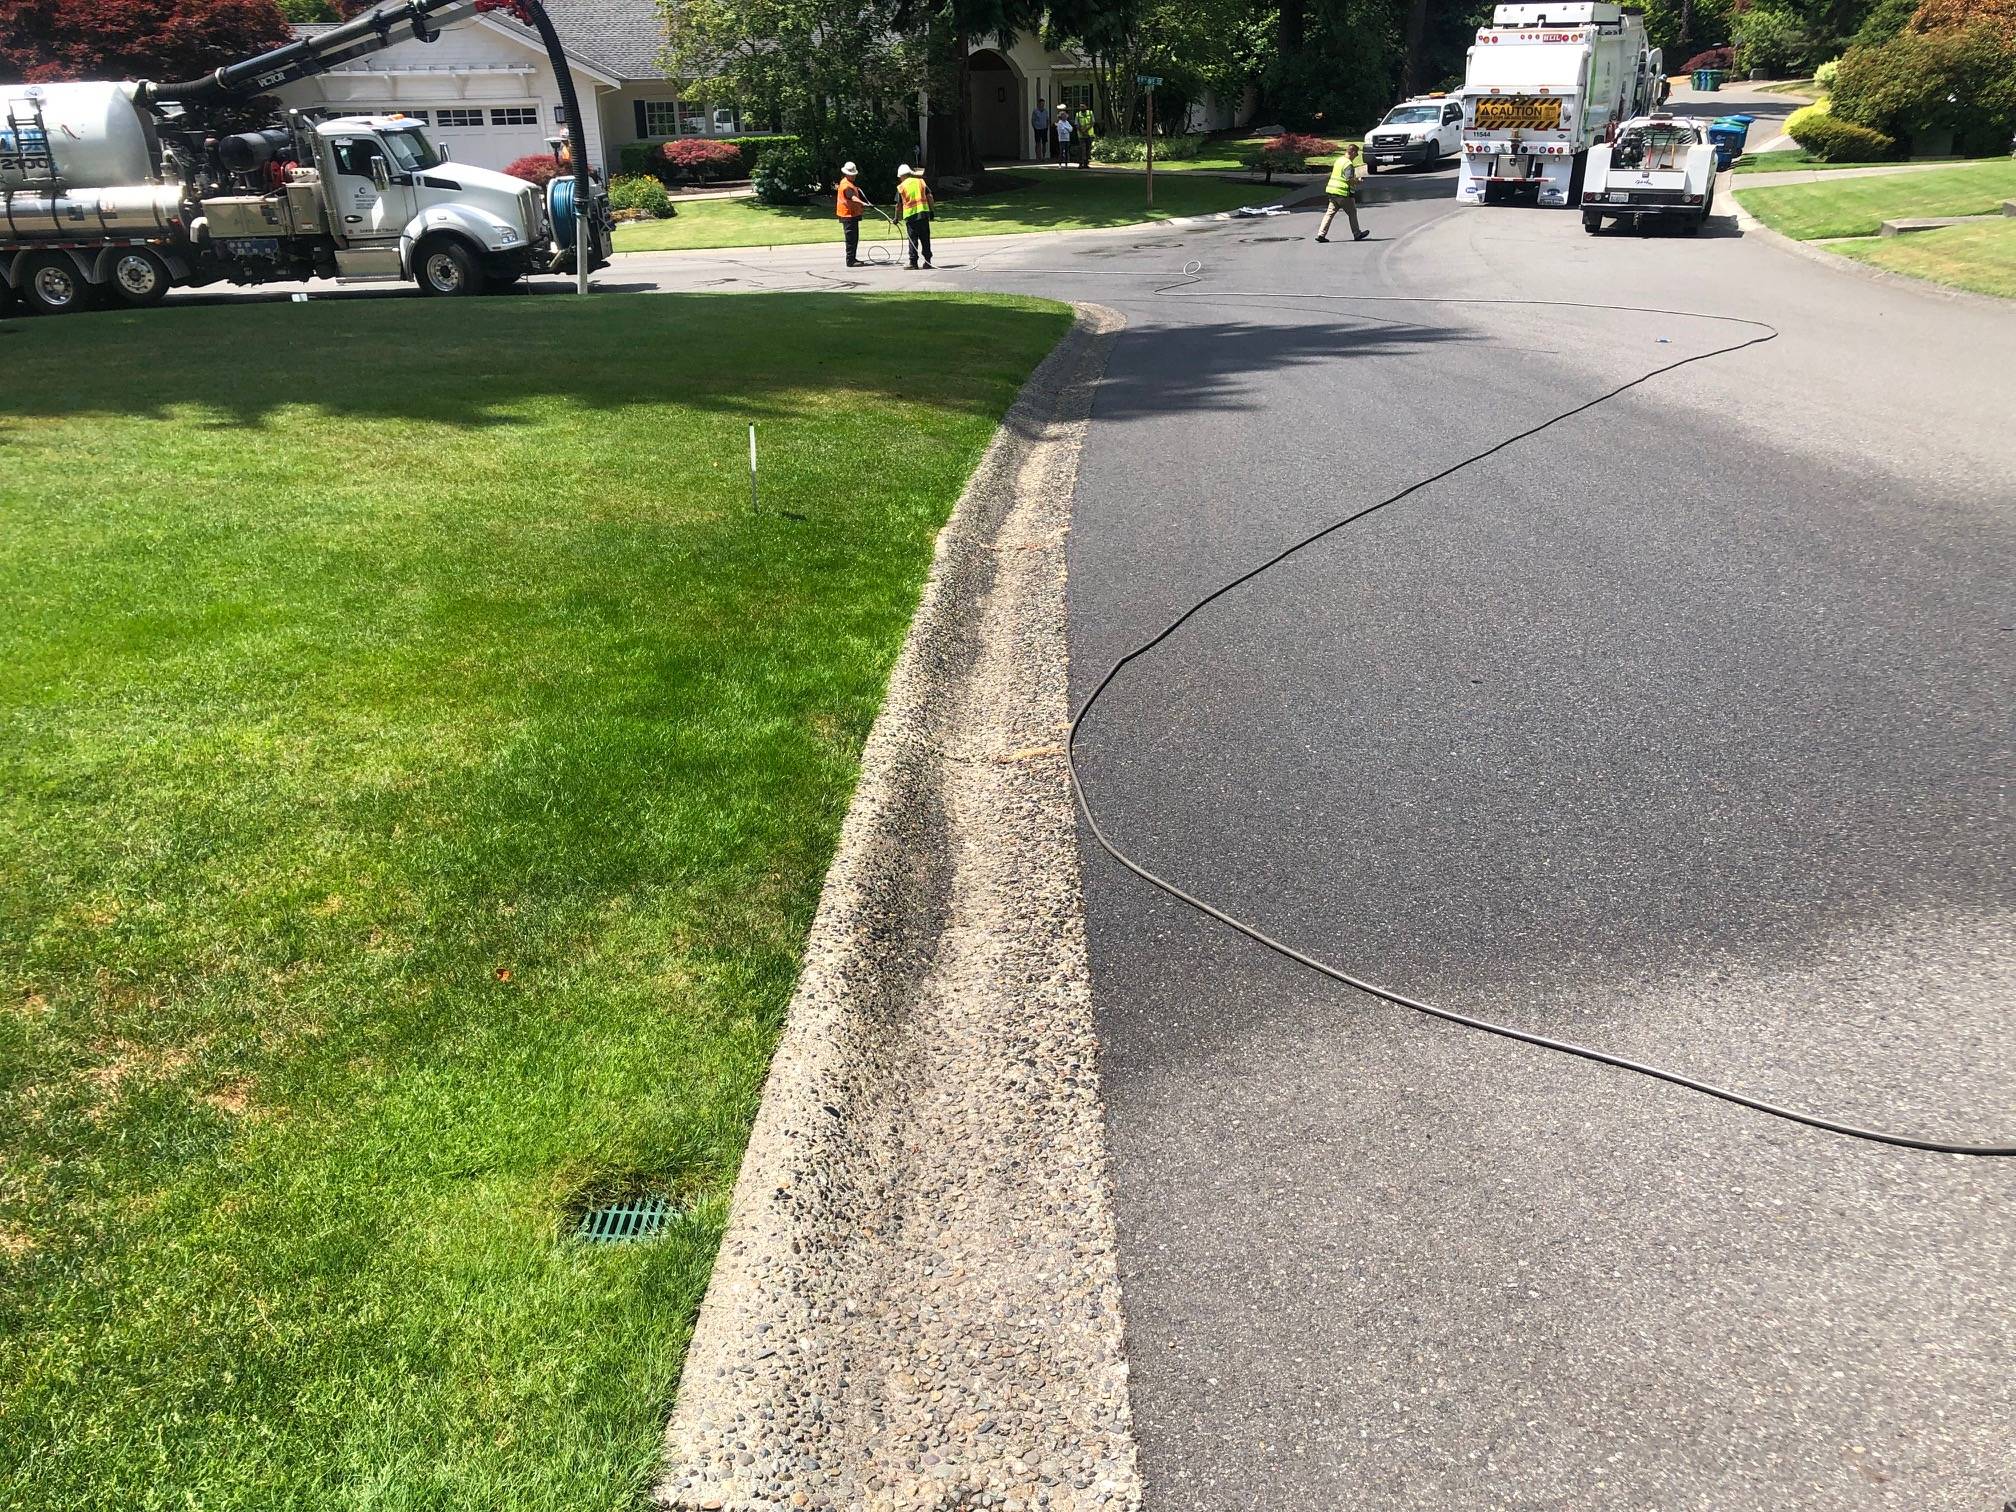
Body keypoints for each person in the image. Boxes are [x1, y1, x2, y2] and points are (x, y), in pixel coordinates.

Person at [1315, 143, 1370, 243]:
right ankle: (1357, 233)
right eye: (1356, 153)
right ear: (1352, 152)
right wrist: (1358, 181)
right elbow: (1349, 179)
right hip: (1343, 193)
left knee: (1329, 214)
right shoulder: (1348, 164)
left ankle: (1321, 234)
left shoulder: (1339, 160)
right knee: (1352, 212)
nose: (1357, 156)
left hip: (1332, 191)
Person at [895, 163, 935, 268]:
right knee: (925, 239)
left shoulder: (901, 187)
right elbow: (930, 196)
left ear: (902, 176)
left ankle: (913, 263)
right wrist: (931, 211)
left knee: (913, 240)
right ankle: (928, 262)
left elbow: (898, 205)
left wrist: (896, 218)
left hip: (911, 217)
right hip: (923, 215)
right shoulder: (920, 182)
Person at [835, 160, 871, 266]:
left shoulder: (847, 182)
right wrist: (863, 203)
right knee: (851, 238)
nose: (854, 176)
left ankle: (852, 258)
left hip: (851, 214)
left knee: (854, 238)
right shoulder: (846, 185)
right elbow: (852, 197)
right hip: (848, 214)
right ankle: (850, 260)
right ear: (847, 174)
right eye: (852, 174)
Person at [1031, 97, 1051, 162]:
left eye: (1043, 104)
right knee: (1038, 143)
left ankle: (1043, 157)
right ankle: (1038, 157)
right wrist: (1035, 127)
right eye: (1041, 103)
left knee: (1044, 143)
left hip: (1044, 128)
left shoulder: (1045, 111)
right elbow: (1033, 120)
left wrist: (1047, 126)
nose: (1042, 105)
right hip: (1037, 129)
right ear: (1038, 104)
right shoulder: (1035, 111)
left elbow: (1047, 119)